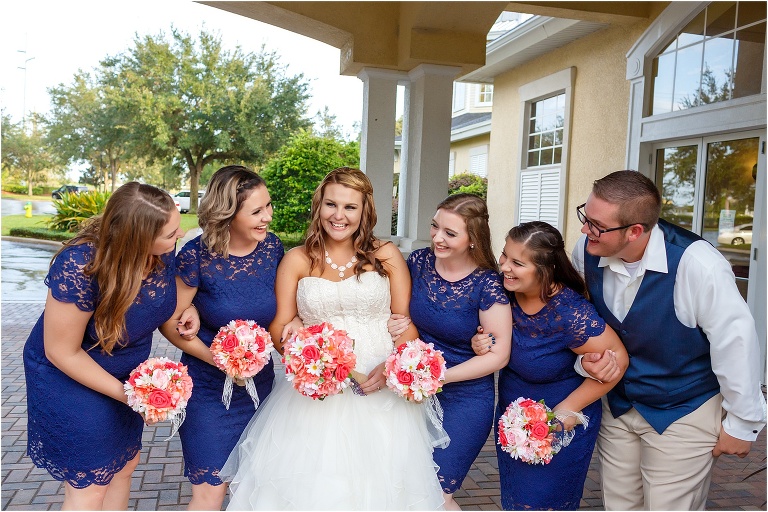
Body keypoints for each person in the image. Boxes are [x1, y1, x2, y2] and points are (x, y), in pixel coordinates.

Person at [220, 167, 445, 510]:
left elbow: (406, 327)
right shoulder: (296, 259)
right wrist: (310, 360)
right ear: (319, 206)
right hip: (315, 398)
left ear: (365, 210)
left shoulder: (386, 256)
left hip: (379, 388)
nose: (338, 216)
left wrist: (391, 366)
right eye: (331, 205)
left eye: (350, 207)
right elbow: (280, 328)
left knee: (381, 488)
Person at [572, 170, 766, 510]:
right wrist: (584, 359)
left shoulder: (697, 264)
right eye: (586, 217)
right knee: (619, 505)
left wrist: (743, 423)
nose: (585, 230)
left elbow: (735, 341)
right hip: (617, 405)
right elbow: (579, 321)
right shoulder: (586, 252)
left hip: (683, 408)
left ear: (634, 231)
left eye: (597, 225)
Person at [23, 182, 184, 510]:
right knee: (91, 485)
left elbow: (156, 305)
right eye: (170, 233)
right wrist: (131, 396)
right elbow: (61, 351)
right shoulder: (79, 265)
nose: (179, 236)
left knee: (124, 468)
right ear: (137, 238)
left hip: (125, 373)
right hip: (69, 373)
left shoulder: (162, 253)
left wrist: (187, 313)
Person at [159, 165, 284, 510]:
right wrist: (220, 360)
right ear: (228, 213)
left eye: (268, 206)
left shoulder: (273, 249)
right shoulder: (196, 255)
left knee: (257, 487)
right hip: (208, 391)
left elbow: (284, 312)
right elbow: (170, 324)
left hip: (262, 390)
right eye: (257, 211)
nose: (267, 217)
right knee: (211, 489)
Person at [484, 221, 628, 510]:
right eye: (504, 256)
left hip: (561, 422)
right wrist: (483, 343)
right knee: (516, 501)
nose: (504, 267)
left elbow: (618, 360)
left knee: (542, 503)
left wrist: (566, 412)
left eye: (517, 263)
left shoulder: (568, 313)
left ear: (545, 269)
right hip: (512, 421)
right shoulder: (505, 296)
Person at [389, 193, 514, 510]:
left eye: (450, 233)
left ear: (473, 239)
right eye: (434, 227)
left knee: (437, 493)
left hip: (465, 399)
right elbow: (391, 304)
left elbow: (498, 355)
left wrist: (437, 377)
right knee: (405, 486)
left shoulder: (488, 284)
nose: (437, 238)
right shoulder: (418, 262)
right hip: (413, 393)